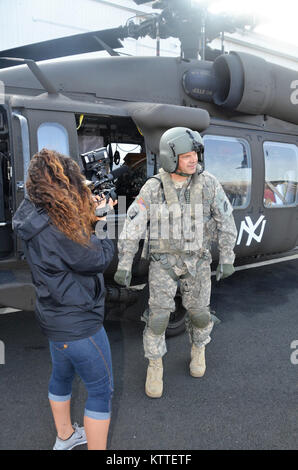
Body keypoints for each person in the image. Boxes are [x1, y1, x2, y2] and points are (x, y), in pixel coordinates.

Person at [113, 127, 237, 398]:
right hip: (163, 263)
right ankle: (155, 364)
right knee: (157, 318)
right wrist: (125, 262)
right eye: (187, 155)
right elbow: (133, 225)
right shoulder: (154, 188)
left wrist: (227, 257)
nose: (194, 160)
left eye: (195, 154)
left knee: (199, 314)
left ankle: (199, 349)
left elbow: (225, 221)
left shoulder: (208, 184)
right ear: (170, 158)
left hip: (198, 262)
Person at [12, 148, 116, 450]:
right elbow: (98, 258)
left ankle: (66, 436)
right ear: (61, 182)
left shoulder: (32, 213)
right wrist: (103, 220)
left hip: (53, 319)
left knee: (61, 376)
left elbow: (64, 245)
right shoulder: (59, 228)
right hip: (80, 324)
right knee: (100, 391)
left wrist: (85, 211)